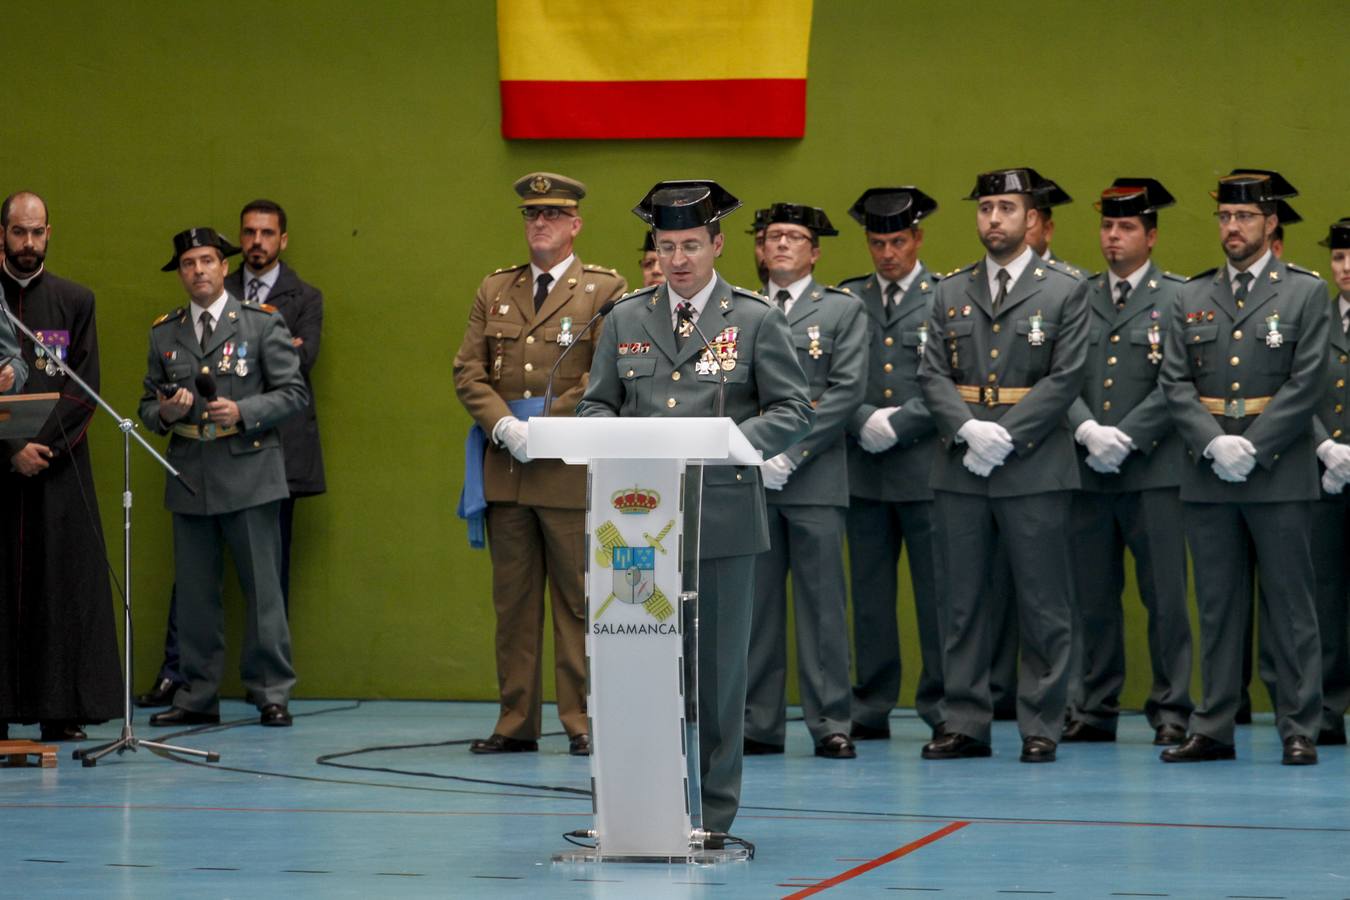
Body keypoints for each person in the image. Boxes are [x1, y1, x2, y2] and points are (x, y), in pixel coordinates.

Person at [578, 179, 812, 837]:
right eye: (666, 245)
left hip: (723, 518)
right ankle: (634, 810)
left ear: (716, 245)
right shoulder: (626, 317)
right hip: (638, 523)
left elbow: (793, 409)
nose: (678, 259)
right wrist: (612, 434)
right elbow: (598, 402)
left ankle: (711, 813)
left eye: (690, 245)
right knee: (637, 669)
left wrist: (734, 443)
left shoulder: (756, 318)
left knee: (716, 677)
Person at [918, 167, 1088, 764]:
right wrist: (967, 429)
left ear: (1031, 218)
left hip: (1034, 464)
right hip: (961, 462)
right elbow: (932, 373)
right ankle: (963, 720)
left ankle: (1041, 721)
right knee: (960, 602)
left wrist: (1006, 437)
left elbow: (1066, 377)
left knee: (1042, 602)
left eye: (1006, 208)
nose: (994, 218)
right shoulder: (948, 290)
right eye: (986, 207)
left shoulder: (1066, 289)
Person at [453, 172, 626, 757]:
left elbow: (605, 375)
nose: (541, 224)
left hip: (567, 465)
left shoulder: (604, 289)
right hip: (506, 464)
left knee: (578, 601)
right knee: (514, 605)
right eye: (532, 216)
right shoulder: (495, 288)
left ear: (575, 225)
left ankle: (581, 720)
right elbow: (468, 371)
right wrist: (501, 424)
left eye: (553, 215)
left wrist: (546, 425)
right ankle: (515, 720)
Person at [1158, 171, 1327, 765]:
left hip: (1277, 471)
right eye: (1226, 218)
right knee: (1218, 605)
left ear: (1270, 222)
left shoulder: (1304, 292)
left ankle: (1299, 725)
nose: (1233, 227)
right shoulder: (1191, 296)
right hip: (1208, 474)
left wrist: (1254, 446)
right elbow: (1174, 382)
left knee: (1290, 604)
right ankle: (1214, 725)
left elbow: (1307, 384)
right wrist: (1212, 443)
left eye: (1246, 218)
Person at [136, 198, 327, 709]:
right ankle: (196, 694)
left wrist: (242, 413)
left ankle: (270, 693)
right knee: (196, 597)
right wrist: (169, 414)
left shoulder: (261, 323)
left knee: (263, 592)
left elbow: (294, 393)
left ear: (225, 267)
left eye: (206, 261)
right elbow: (146, 407)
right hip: (191, 474)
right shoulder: (164, 333)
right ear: (180, 273)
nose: (198, 271)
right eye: (187, 264)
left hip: (250, 469)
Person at [1061, 179, 1193, 746]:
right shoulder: (1075, 296)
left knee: (1164, 597)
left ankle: (1172, 708)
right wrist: (1088, 428)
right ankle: (1094, 707)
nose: (1114, 237)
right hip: (1087, 468)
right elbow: (1057, 373)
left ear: (1151, 235)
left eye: (1127, 227)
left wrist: (1129, 435)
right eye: (1108, 227)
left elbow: (1181, 381)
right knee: (1091, 598)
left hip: (1155, 469)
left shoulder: (1180, 298)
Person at [743, 203, 865, 760]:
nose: (783, 245)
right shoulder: (739, 310)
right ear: (760, 250)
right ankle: (758, 722)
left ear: (815, 252)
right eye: (773, 237)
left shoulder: (841, 310)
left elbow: (844, 391)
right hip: (751, 477)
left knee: (822, 607)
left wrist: (789, 452)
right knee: (758, 605)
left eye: (795, 238)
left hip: (813, 476)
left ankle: (831, 721)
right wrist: (754, 451)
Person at [0, 191, 120, 743]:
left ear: (50, 233)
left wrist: (38, 449)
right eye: (19, 232)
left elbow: (83, 388)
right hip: (2, 469)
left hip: (58, 469)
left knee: (61, 587)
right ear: (2, 233)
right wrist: (8, 452)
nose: (28, 243)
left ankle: (61, 708)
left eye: (37, 232)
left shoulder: (76, 300)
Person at [837, 186, 947, 741]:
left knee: (937, 598)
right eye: (878, 242)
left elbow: (952, 380)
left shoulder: (944, 296)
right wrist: (860, 418)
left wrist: (900, 422)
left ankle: (941, 705)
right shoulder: (848, 301)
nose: (887, 253)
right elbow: (833, 377)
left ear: (918, 239)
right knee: (870, 600)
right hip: (865, 471)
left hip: (925, 468)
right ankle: (871, 703)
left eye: (898, 241)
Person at [1311, 216, 1350, 746]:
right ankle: (1323, 707)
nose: (1346, 268)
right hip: (1323, 472)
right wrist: (1325, 445)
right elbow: (1295, 387)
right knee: (1322, 598)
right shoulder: (1315, 319)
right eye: (1339, 259)